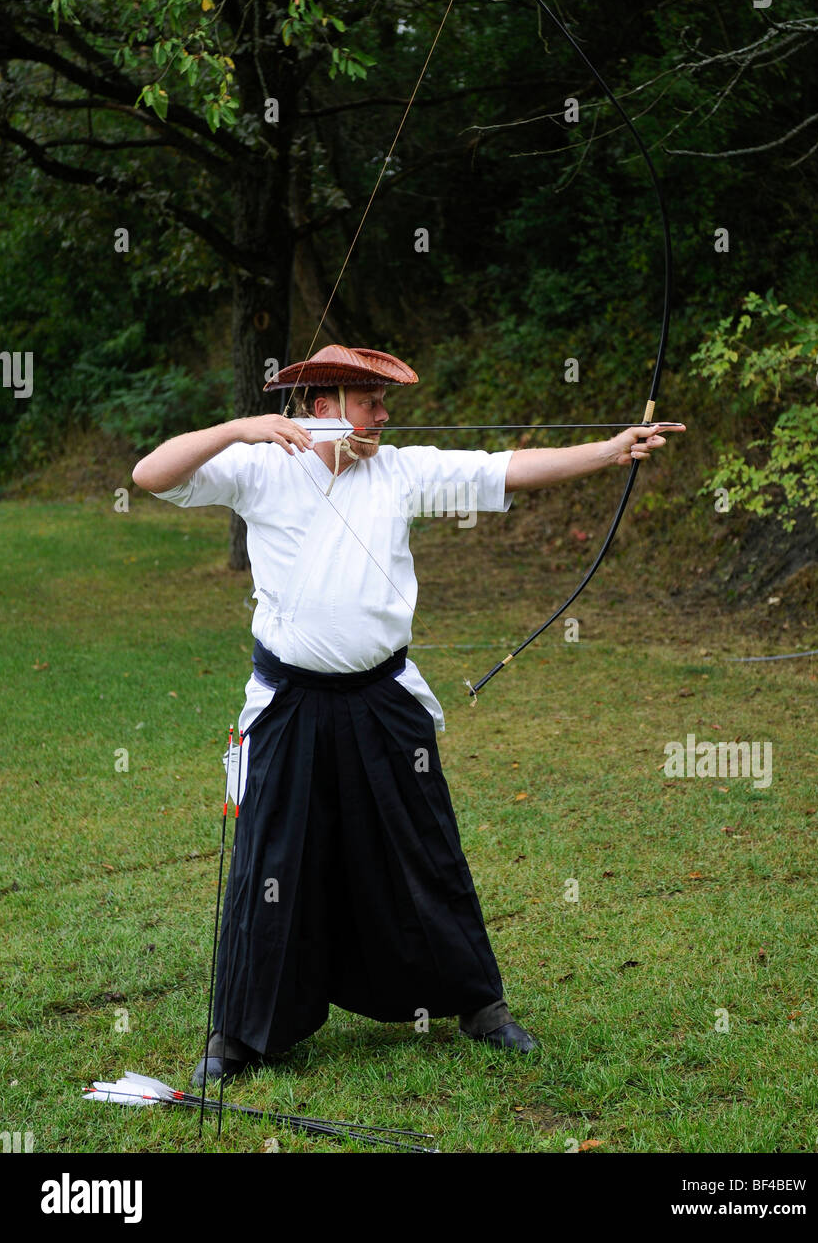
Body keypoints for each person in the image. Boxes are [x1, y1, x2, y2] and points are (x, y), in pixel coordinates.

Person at [131, 344, 684, 1083]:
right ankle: (241, 1033)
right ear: (322, 406)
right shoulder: (257, 468)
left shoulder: (399, 470)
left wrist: (610, 451)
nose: (383, 418)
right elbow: (149, 474)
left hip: (384, 701)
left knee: (425, 850)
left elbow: (505, 470)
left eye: (385, 404)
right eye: (370, 403)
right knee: (273, 860)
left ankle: (478, 1006)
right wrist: (241, 427)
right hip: (289, 704)